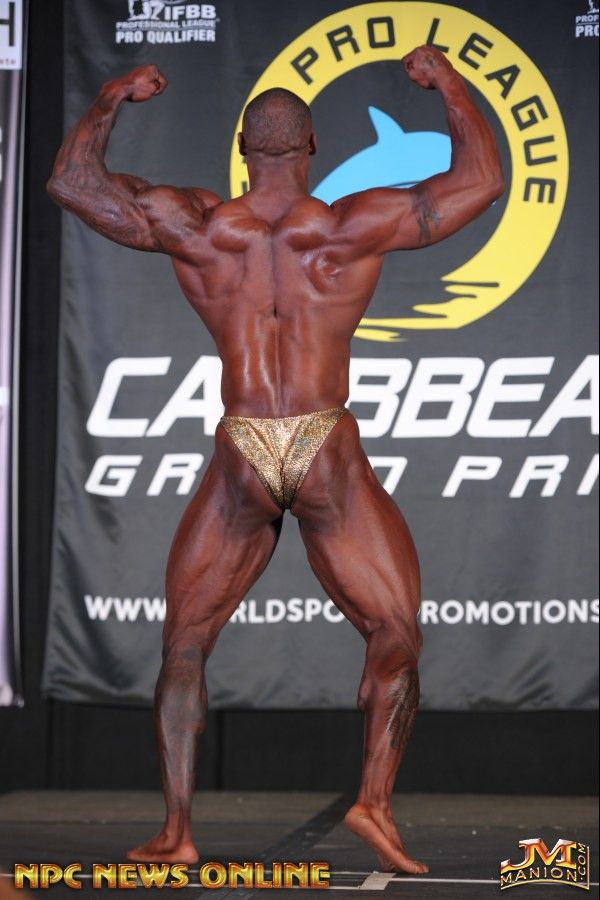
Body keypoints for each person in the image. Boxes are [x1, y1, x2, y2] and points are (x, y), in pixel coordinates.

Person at [48, 46, 504, 873]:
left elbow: (74, 184)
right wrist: (449, 84)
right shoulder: (349, 225)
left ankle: (177, 832)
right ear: (313, 147)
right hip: (323, 442)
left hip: (244, 447)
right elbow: (481, 182)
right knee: (393, 631)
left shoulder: (197, 226)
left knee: (186, 643)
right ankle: (373, 803)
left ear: (242, 149)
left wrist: (113, 95)